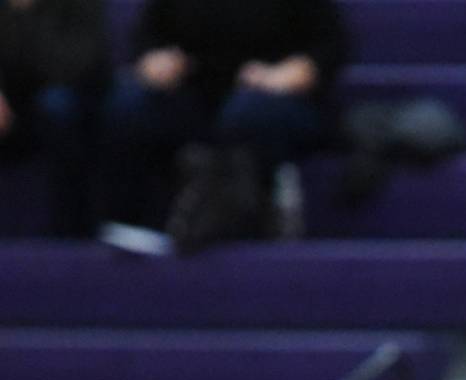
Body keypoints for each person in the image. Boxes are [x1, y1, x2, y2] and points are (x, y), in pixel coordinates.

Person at [101, 0, 346, 244]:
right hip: (194, 95)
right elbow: (149, 36)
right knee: (130, 107)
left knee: (248, 114)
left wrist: (282, 76)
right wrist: (156, 61)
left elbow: (330, 46)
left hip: (275, 100)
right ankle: (136, 225)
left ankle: (260, 221)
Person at [0, 0, 108, 234]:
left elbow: (73, 67)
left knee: (56, 106)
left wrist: (24, 14)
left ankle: (72, 231)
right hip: (8, 105)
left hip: (70, 102)